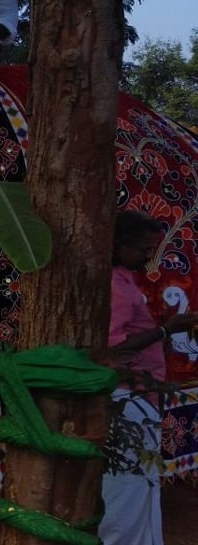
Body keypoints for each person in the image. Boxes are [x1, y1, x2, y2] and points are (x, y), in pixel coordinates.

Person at [102, 210, 198, 545]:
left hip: (142, 397)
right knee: (128, 485)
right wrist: (164, 329)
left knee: (143, 481)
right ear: (121, 245)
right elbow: (113, 351)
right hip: (128, 398)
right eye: (143, 249)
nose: (148, 257)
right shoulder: (114, 285)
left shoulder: (125, 279)